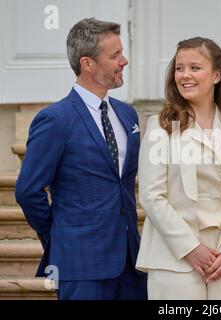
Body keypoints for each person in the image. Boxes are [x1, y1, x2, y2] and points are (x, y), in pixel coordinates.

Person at [15, 18, 147, 300]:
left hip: (131, 263)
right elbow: (28, 191)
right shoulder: (55, 120)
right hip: (80, 265)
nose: (124, 61)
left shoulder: (127, 115)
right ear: (87, 63)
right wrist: (59, 236)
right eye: (115, 55)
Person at [136, 37, 221, 300]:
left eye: (195, 68)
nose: (185, 75)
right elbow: (151, 196)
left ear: (217, 75)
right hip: (174, 257)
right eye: (179, 68)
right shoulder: (161, 127)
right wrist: (190, 248)